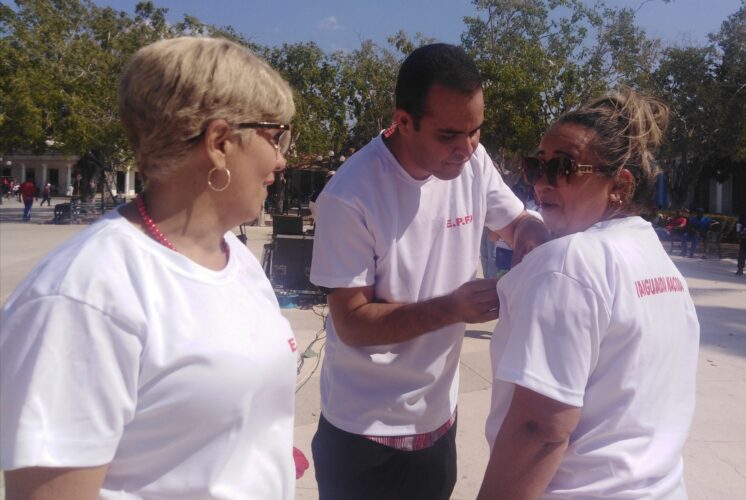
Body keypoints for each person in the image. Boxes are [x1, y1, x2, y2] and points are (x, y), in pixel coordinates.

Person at [1, 37, 298, 499]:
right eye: (275, 136)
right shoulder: (85, 297)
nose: (281, 159)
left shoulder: (234, 259)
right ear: (220, 143)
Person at [309, 43, 548, 500]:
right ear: (403, 121)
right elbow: (352, 323)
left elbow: (518, 222)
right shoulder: (350, 195)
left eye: (475, 131)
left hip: (438, 421)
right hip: (364, 433)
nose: (466, 148)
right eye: (449, 135)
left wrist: (531, 243)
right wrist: (453, 308)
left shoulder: (473, 162)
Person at [478, 88, 700, 499]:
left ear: (619, 186)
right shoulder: (656, 259)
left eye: (563, 168)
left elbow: (539, 429)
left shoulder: (568, 263)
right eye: (536, 166)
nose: (542, 182)